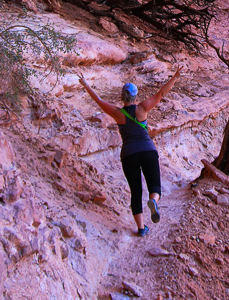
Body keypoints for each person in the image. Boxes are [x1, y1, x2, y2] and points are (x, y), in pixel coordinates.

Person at [77, 68, 181, 236]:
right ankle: (153, 201)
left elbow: (98, 100)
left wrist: (86, 84)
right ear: (135, 96)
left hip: (128, 154)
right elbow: (161, 94)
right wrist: (174, 77)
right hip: (147, 150)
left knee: (136, 191)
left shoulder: (117, 114)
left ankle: (141, 228)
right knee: (154, 185)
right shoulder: (142, 108)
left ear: (122, 96)